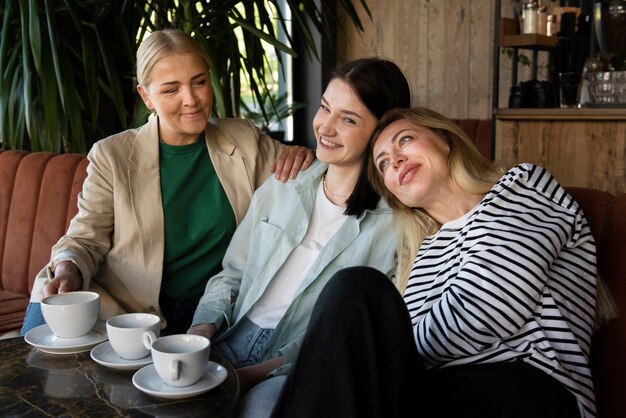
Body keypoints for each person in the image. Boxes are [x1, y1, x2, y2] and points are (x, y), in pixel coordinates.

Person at [271, 107, 608, 418]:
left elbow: (489, 311)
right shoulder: (423, 254)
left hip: (531, 388)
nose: (396, 161)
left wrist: (384, 353)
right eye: (384, 164)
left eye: (405, 140)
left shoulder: (523, 185)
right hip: (435, 394)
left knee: (356, 288)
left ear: (445, 140)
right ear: (393, 192)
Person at [20, 29, 314, 337]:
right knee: (36, 372)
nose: (191, 100)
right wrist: (68, 269)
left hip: (206, 313)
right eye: (171, 90)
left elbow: (315, 176)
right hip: (118, 310)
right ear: (146, 96)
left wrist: (302, 154)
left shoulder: (244, 139)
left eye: (199, 82)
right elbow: (84, 240)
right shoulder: (112, 155)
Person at [187, 57, 411, 417]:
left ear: (380, 131)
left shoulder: (396, 224)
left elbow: (346, 334)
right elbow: (232, 273)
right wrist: (200, 332)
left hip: (294, 364)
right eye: (325, 108)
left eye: (348, 119)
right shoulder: (284, 181)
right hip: (229, 338)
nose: (326, 126)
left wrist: (254, 375)